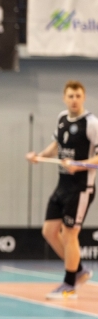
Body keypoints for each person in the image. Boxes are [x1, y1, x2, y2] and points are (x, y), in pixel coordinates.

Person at [26, 80, 96, 300]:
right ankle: (79, 271)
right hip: (62, 185)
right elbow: (56, 145)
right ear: (64, 98)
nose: (74, 100)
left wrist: (80, 165)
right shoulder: (62, 118)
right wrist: (39, 156)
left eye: (78, 96)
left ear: (83, 97)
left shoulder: (92, 123)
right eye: (70, 96)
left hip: (81, 187)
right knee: (49, 231)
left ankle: (69, 285)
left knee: (70, 234)